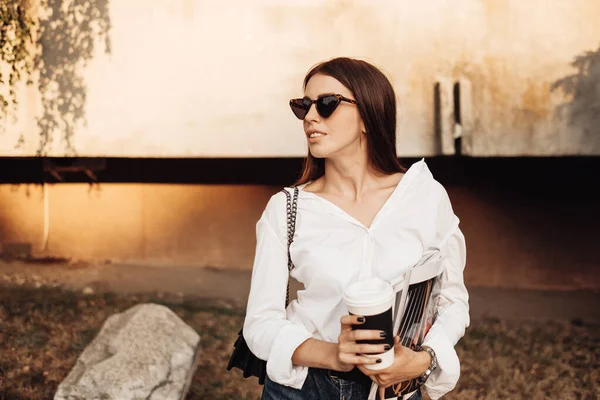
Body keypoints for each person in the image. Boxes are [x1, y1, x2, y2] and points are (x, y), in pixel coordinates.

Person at [243, 57, 469, 400]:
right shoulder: (286, 209)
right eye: (303, 106)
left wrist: (422, 360)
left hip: (394, 390)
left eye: (327, 104)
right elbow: (260, 324)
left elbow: (452, 302)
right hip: (305, 389)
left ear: (368, 114)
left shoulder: (423, 196)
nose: (310, 117)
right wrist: (334, 354)